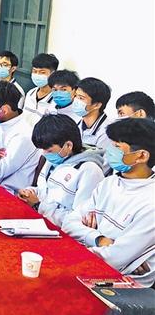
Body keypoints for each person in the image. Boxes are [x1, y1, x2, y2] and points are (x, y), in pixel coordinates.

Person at [61, 118, 155, 287]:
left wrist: (83, 239)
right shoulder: (109, 183)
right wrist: (98, 238)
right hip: (90, 261)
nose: (109, 151)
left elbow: (115, 258)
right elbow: (69, 223)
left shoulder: (150, 203)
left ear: (141, 155)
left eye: (117, 147)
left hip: (124, 285)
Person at [17, 114, 104, 227]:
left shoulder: (89, 171)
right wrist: (29, 193)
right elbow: (45, 191)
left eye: (48, 150)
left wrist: (38, 205)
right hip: (39, 221)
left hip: (60, 230)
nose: (44, 154)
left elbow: (79, 220)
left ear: (68, 145)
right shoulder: (56, 159)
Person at [74, 77, 112, 149]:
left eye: (81, 98)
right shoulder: (76, 124)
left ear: (97, 105)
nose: (76, 101)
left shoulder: (106, 133)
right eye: (76, 96)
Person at [22, 53, 59, 126]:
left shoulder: (56, 100)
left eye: (42, 72)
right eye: (34, 71)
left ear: (53, 74)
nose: (37, 75)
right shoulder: (30, 93)